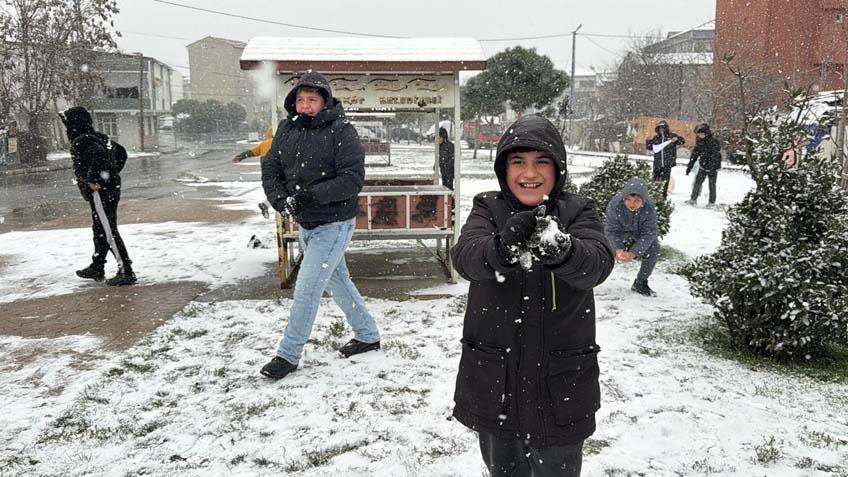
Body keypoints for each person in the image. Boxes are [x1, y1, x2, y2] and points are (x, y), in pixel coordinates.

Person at [450, 115, 614, 477]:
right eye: (518, 162)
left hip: (562, 383)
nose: (530, 173)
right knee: (503, 468)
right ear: (503, 169)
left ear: (558, 169)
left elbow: (598, 263)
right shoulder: (488, 208)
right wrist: (502, 247)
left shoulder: (577, 211)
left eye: (542, 161)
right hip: (496, 381)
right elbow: (466, 257)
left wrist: (563, 251)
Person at [259, 71, 381, 380]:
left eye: (312, 100)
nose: (305, 105)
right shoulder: (286, 129)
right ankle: (367, 335)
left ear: (325, 101)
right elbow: (271, 167)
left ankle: (288, 355)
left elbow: (352, 179)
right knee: (338, 281)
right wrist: (280, 200)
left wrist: (307, 198)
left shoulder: (342, 131)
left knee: (307, 288)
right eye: (300, 99)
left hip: (335, 222)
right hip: (306, 223)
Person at [61, 106, 136, 286]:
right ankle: (97, 266)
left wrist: (95, 179)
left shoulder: (82, 141)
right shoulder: (98, 137)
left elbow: (100, 155)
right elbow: (121, 152)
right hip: (108, 188)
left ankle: (126, 271)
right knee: (100, 229)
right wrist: (111, 174)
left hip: (100, 192)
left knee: (108, 231)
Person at [605, 177, 660, 297]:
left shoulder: (649, 207)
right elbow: (611, 231)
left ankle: (640, 283)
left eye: (637, 201)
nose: (632, 204)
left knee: (654, 249)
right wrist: (618, 249)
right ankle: (591, 278)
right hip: (620, 230)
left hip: (639, 231)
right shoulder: (615, 205)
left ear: (643, 201)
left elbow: (649, 232)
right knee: (601, 247)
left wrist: (633, 252)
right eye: (628, 200)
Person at [233, 127, 275, 218]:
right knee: (282, 190)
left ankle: (266, 204)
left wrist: (240, 157)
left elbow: (251, 152)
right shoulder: (280, 142)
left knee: (274, 191)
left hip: (266, 172)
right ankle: (279, 209)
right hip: (277, 170)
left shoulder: (263, 144)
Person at [685, 123, 722, 207]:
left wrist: (713, 167)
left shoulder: (714, 142)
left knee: (712, 185)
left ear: (706, 133)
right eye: (698, 134)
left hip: (713, 168)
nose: (699, 135)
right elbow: (694, 156)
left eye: (701, 134)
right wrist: (689, 167)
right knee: (697, 183)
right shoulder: (700, 142)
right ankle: (693, 199)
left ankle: (711, 202)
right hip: (703, 166)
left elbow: (716, 155)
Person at [645, 120, 684, 197]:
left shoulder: (671, 136)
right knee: (655, 180)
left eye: (663, 128)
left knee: (665, 181)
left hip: (667, 164)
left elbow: (682, 141)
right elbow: (650, 148)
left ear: (666, 128)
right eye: (660, 128)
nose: (661, 130)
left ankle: (663, 196)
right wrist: (648, 140)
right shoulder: (656, 138)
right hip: (657, 163)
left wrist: (677, 139)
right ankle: (654, 195)